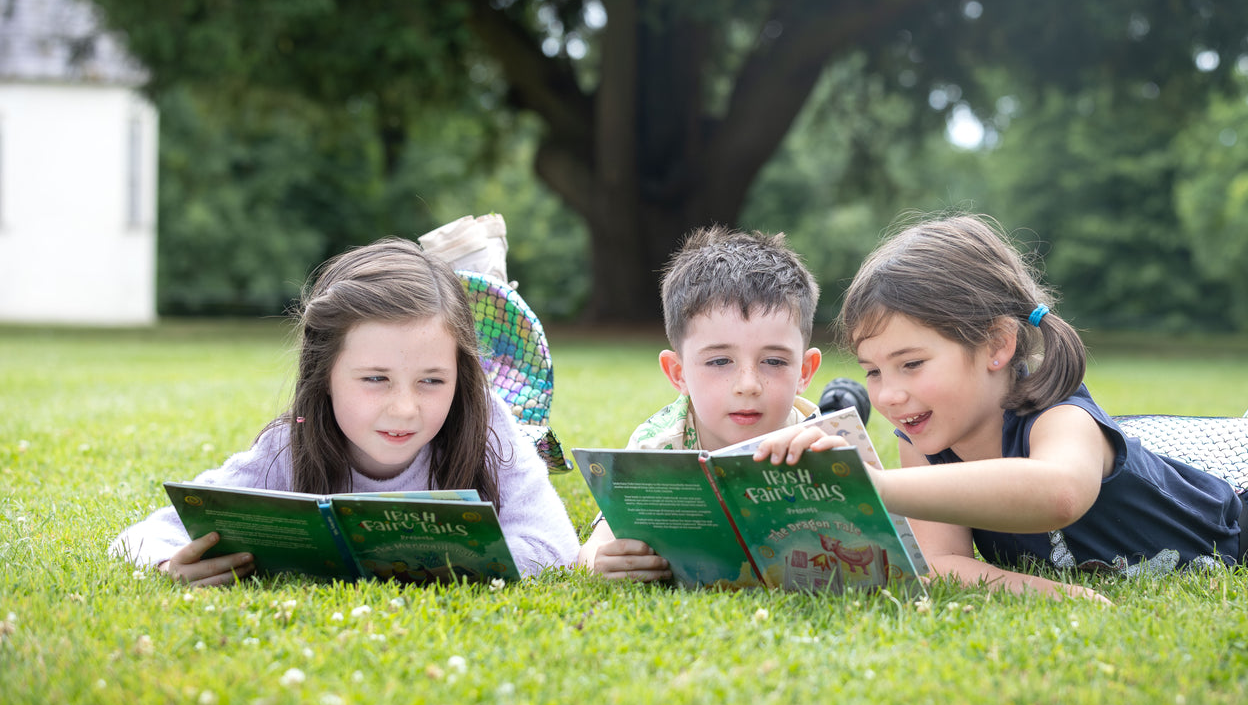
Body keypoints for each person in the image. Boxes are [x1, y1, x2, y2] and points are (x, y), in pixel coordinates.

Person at [756, 214, 1248, 602]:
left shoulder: (1060, 418)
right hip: (1142, 468)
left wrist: (874, 489)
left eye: (912, 365)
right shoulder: (922, 435)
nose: (888, 395)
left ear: (998, 343)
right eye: (873, 371)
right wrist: (1053, 595)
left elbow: (1057, 494)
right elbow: (940, 563)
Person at [111, 238, 580, 585]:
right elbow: (140, 537)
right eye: (375, 379)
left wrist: (423, 564)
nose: (404, 408)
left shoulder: (487, 425)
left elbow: (556, 546)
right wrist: (169, 565)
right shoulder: (287, 447)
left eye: (432, 381)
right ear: (325, 376)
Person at [578, 226, 826, 581]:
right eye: (719, 362)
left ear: (804, 370)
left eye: (773, 361)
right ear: (678, 373)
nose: (748, 385)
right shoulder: (657, 447)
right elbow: (598, 543)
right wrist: (598, 561)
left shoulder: (819, 439)